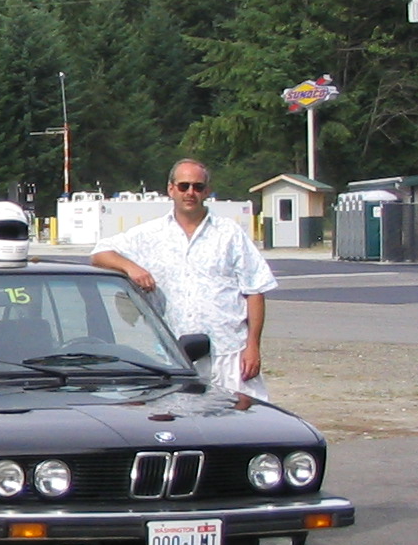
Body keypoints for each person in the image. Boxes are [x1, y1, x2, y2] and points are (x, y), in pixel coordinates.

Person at [90, 159, 277, 399]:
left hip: (229, 353)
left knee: (240, 425)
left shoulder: (229, 234)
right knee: (183, 425)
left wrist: (253, 347)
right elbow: (99, 254)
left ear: (207, 192)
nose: (190, 193)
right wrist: (132, 268)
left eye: (198, 187)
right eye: (184, 186)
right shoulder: (149, 235)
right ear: (171, 189)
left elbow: (255, 291)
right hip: (175, 356)